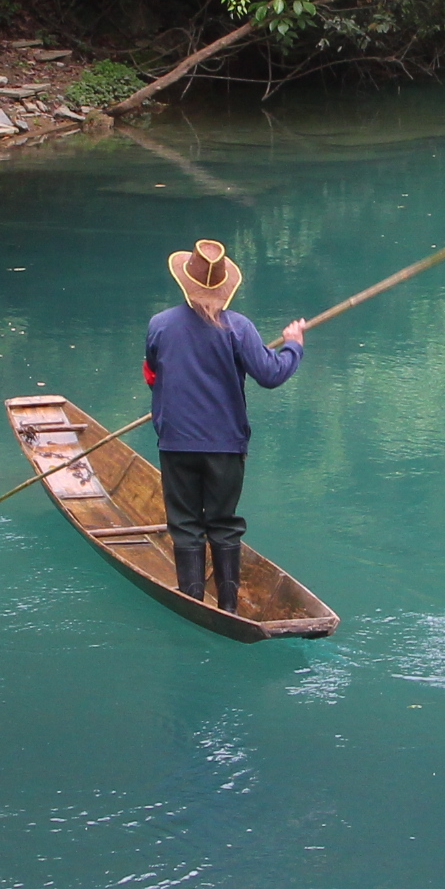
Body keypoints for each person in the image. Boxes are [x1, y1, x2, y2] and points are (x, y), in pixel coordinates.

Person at [144, 239, 307, 611]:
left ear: (186, 281)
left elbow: (152, 373)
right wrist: (294, 346)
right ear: (225, 287)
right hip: (225, 446)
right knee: (223, 521)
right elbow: (270, 373)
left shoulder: (160, 325)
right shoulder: (239, 328)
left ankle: (192, 603)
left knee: (185, 523)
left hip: (177, 442)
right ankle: (229, 607)